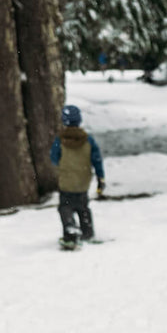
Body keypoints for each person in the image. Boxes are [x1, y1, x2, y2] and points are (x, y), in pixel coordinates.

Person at [50, 104, 105, 246]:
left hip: (66, 181)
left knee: (65, 207)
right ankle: (87, 231)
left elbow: (54, 158)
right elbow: (97, 160)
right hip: (83, 181)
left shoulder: (59, 140)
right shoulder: (88, 140)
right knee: (83, 207)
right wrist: (101, 177)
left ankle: (70, 229)